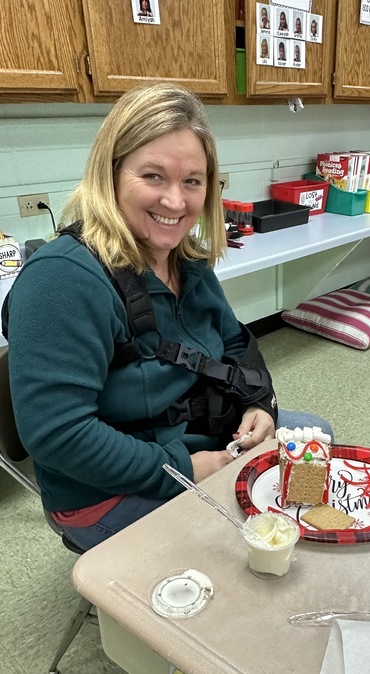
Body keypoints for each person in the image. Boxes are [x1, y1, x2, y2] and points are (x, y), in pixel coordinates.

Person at [5, 83, 332, 552]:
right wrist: (181, 468)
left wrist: (260, 404)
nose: (176, 202)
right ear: (111, 174)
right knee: (260, 542)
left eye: (192, 181)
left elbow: (237, 344)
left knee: (316, 449)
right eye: (153, 176)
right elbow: (59, 436)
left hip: (203, 443)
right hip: (110, 489)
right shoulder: (61, 280)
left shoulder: (186, 260)